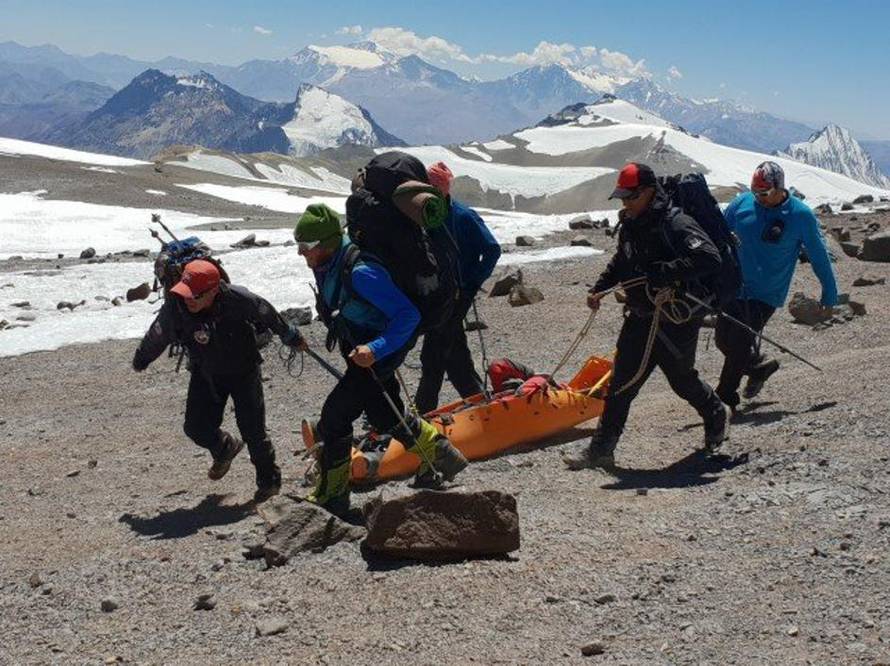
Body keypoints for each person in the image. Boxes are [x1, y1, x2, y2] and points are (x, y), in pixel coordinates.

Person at [295, 204, 467, 516]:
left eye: (306, 247)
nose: (301, 254)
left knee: (334, 417)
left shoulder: (362, 273)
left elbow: (408, 316)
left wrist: (375, 348)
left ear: (327, 243)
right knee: (385, 414)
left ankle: (333, 496)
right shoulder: (330, 265)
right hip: (363, 353)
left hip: (377, 354)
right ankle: (442, 453)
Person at [565, 162, 730, 469]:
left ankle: (716, 412)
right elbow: (622, 261)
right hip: (640, 315)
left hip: (674, 318)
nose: (625, 203)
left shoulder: (676, 223)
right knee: (621, 384)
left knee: (681, 381)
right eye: (623, 197)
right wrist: (600, 287)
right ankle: (601, 450)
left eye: (631, 196)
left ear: (650, 192)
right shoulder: (631, 224)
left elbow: (709, 257)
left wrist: (665, 273)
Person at [132, 259, 304, 503]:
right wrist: (142, 359)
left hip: (244, 370)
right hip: (206, 372)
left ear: (214, 290)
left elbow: (266, 312)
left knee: (253, 430)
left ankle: (269, 482)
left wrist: (290, 335)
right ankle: (224, 448)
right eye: (185, 292)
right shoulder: (176, 307)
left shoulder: (238, 299)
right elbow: (158, 334)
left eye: (195, 295)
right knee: (195, 427)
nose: (188, 299)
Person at [714, 161, 838, 410]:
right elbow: (719, 234)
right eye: (755, 192)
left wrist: (829, 292)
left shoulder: (801, 215)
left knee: (738, 340)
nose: (759, 199)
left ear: (779, 188)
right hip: (734, 285)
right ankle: (759, 368)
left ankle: (723, 399)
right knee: (723, 341)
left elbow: (818, 254)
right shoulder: (742, 203)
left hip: (766, 292)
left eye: (765, 193)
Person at [413, 161, 502, 414]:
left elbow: (492, 249)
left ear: (442, 189)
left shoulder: (463, 216)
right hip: (438, 295)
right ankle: (481, 405)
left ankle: (422, 417)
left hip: (458, 295)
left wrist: (472, 283)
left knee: (433, 355)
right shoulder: (427, 217)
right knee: (453, 353)